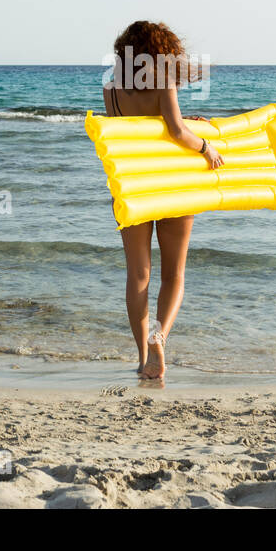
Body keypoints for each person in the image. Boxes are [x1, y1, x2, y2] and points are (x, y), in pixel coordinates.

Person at [103, 20, 223, 380]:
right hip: (171, 184)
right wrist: (204, 145)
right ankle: (160, 337)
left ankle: (142, 359)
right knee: (173, 274)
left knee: (138, 275)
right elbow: (174, 132)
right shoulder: (163, 80)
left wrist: (183, 122)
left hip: (133, 187)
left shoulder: (111, 89)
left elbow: (141, 130)